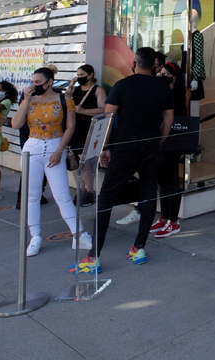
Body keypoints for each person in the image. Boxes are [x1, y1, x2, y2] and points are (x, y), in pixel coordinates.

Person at [72, 47, 173, 273]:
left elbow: (106, 119)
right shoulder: (163, 87)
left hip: (125, 148)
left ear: (135, 63)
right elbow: (168, 120)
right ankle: (138, 248)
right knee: (148, 197)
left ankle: (93, 256)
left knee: (106, 198)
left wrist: (105, 147)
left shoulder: (122, 85)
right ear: (154, 65)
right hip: (151, 149)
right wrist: (159, 142)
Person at [11, 67, 90, 257]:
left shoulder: (64, 98)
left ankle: (78, 234)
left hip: (56, 145)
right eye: (33, 82)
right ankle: (35, 236)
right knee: (31, 196)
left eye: (38, 82)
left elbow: (70, 126)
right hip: (33, 147)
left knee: (62, 194)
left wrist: (59, 150)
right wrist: (26, 100)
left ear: (50, 82)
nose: (34, 85)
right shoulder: (28, 99)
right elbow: (16, 124)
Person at [150, 60, 189, 238]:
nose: (162, 77)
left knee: (172, 181)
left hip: (172, 142)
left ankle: (173, 221)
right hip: (161, 142)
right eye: (160, 74)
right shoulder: (162, 91)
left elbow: (173, 118)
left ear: (175, 77)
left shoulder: (178, 94)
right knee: (162, 180)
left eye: (166, 74)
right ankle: (164, 217)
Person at [68, 64, 106, 206]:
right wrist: (71, 85)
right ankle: (80, 190)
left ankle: (89, 191)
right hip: (74, 128)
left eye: (82, 75)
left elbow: (103, 109)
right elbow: (66, 100)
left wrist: (84, 111)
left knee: (85, 161)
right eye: (78, 75)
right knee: (74, 162)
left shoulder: (98, 90)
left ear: (90, 75)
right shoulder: (76, 90)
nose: (79, 78)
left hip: (89, 128)